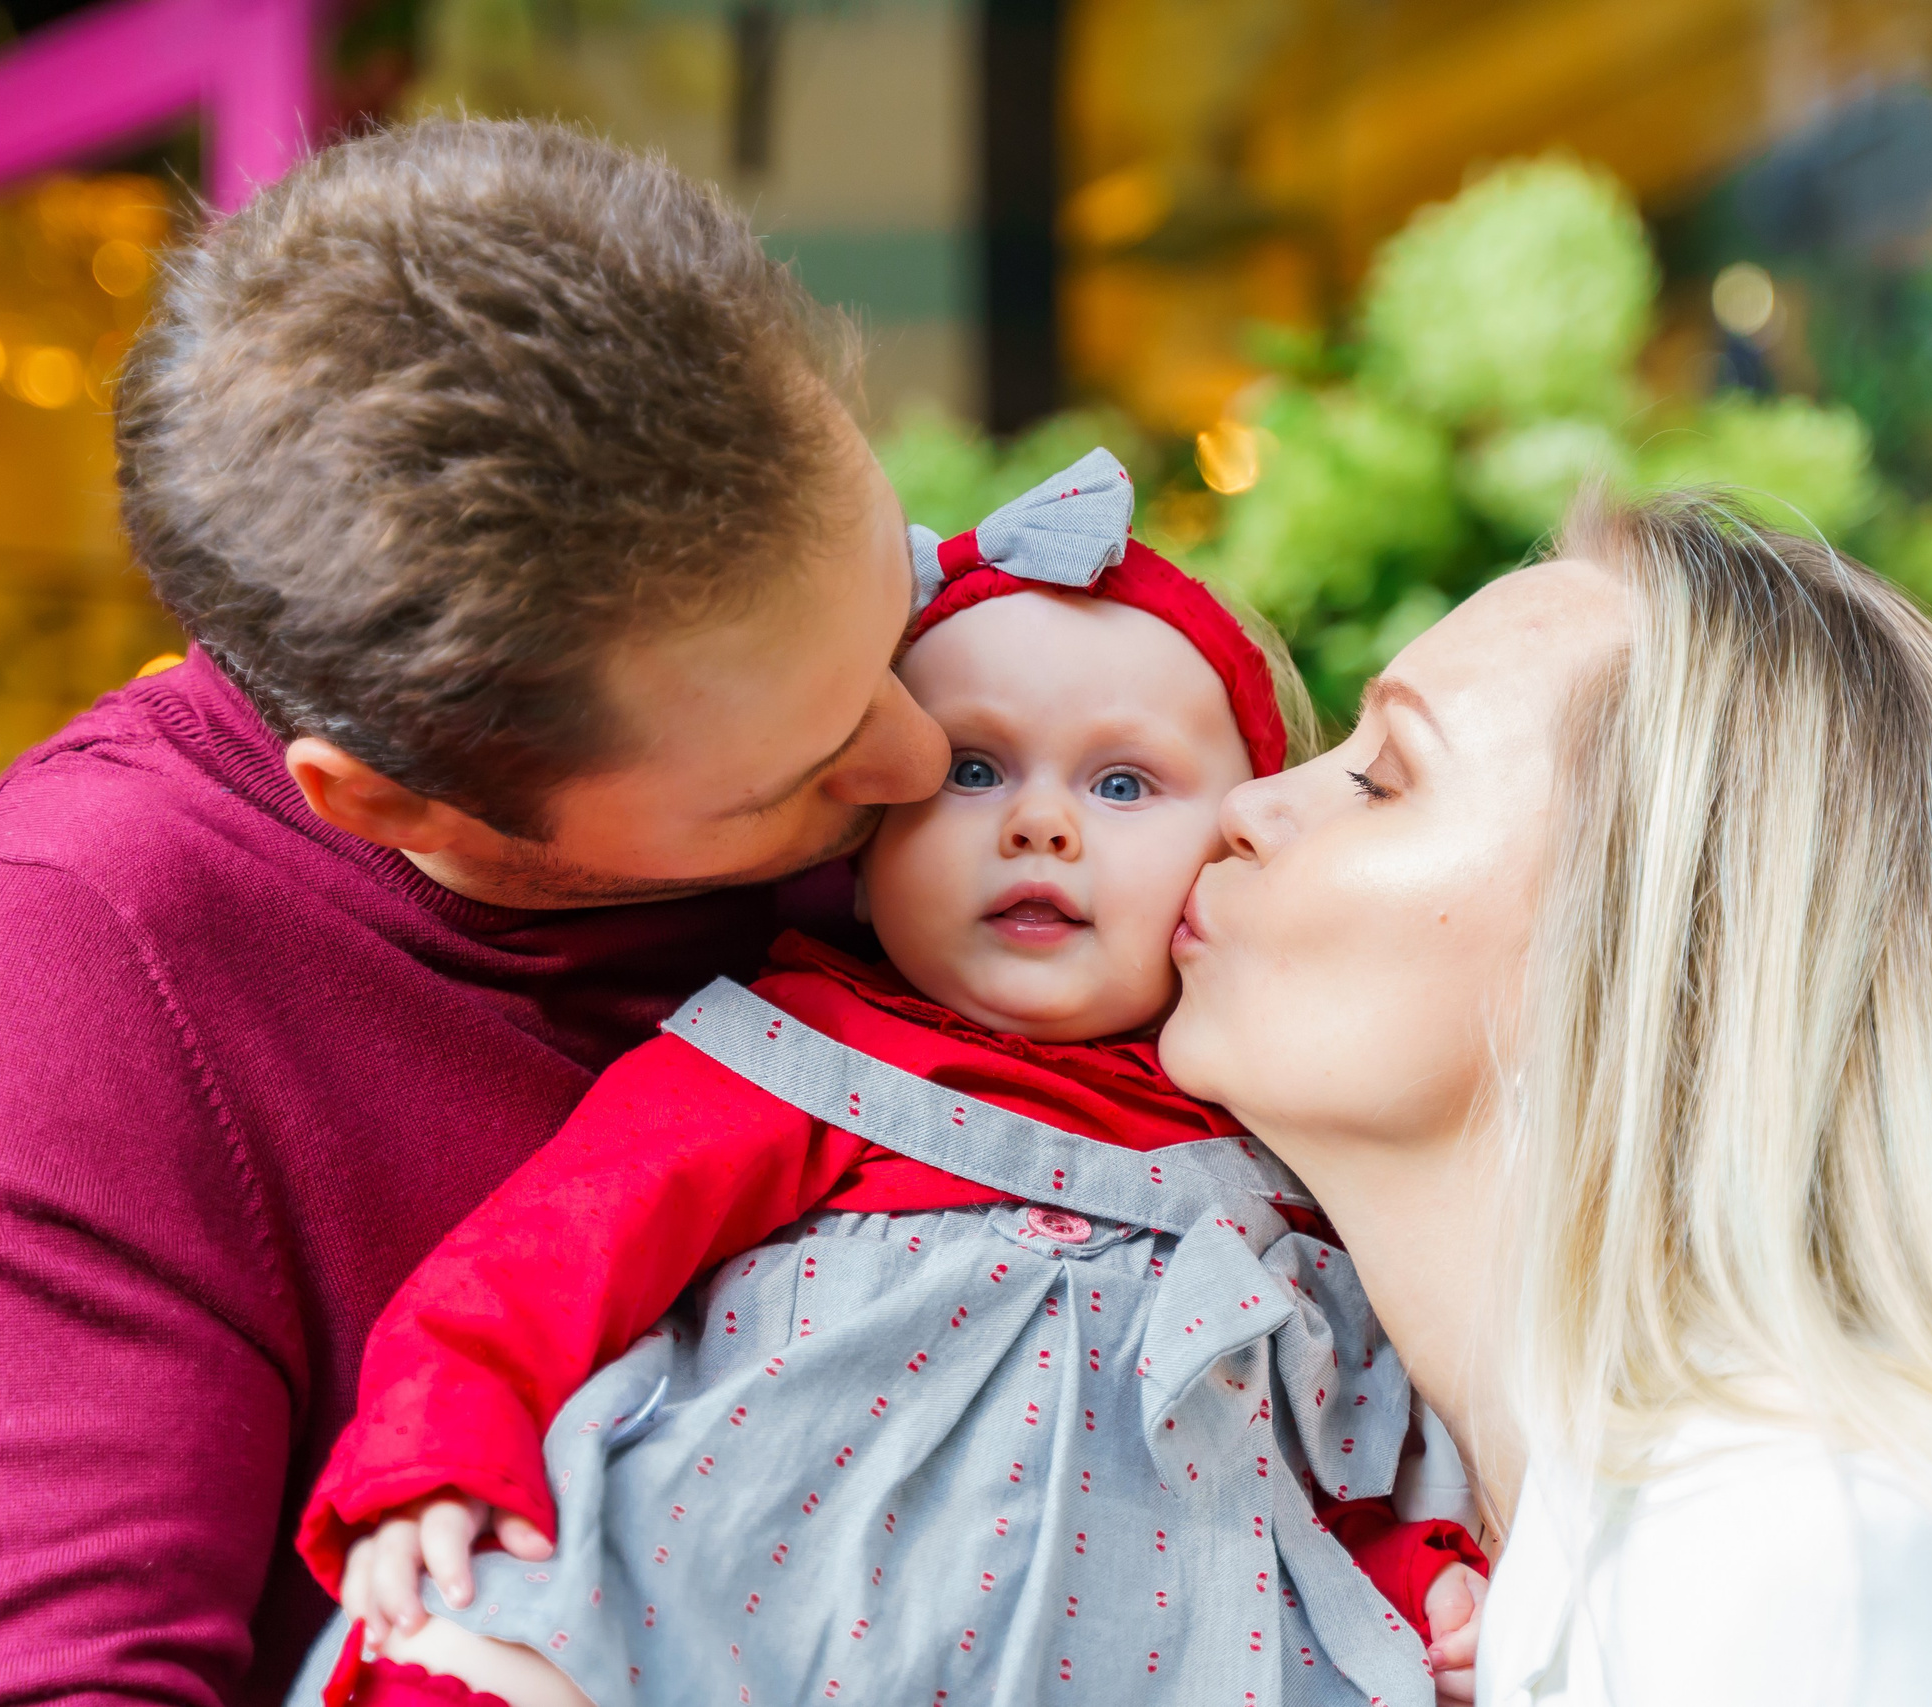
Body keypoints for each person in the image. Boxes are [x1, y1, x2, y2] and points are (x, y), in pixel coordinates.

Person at [0, 120, 952, 1707]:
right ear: (386, 801)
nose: (926, 753)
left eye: (899, 594)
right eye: (795, 778)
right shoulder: (46, 1005)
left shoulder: (960, 683)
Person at [291, 454, 1486, 1707]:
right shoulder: (797, 1055)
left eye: (1122, 784)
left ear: (1238, 851)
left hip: (1134, 1647)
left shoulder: (1279, 1148)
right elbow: (544, 1261)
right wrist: (438, 1449)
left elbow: (1325, 1441)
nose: (1040, 825)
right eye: (972, 770)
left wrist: (1416, 1582)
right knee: (485, 1636)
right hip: (732, 1603)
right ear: (859, 844)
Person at [1159, 491, 1932, 1705]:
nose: (1250, 804)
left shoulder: (1809, 1557)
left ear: (1655, 965)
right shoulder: (1617, 1533)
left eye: (1385, 778)